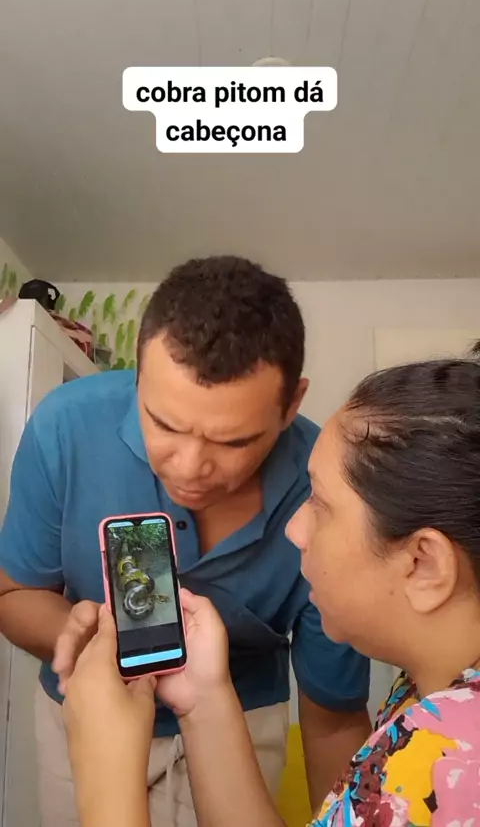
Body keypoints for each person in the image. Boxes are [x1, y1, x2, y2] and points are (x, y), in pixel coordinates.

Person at [0, 255, 371, 827]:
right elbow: (12, 594)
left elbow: (334, 719)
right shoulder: (65, 427)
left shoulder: (326, 489)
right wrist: (83, 639)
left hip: (241, 722)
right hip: (83, 712)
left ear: (291, 405)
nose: (190, 468)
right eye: (165, 424)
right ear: (138, 376)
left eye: (233, 442)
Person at [64, 357, 480, 826]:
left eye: (319, 503)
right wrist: (202, 700)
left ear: (424, 564)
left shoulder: (448, 768)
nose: (294, 529)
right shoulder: (431, 697)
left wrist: (107, 783)